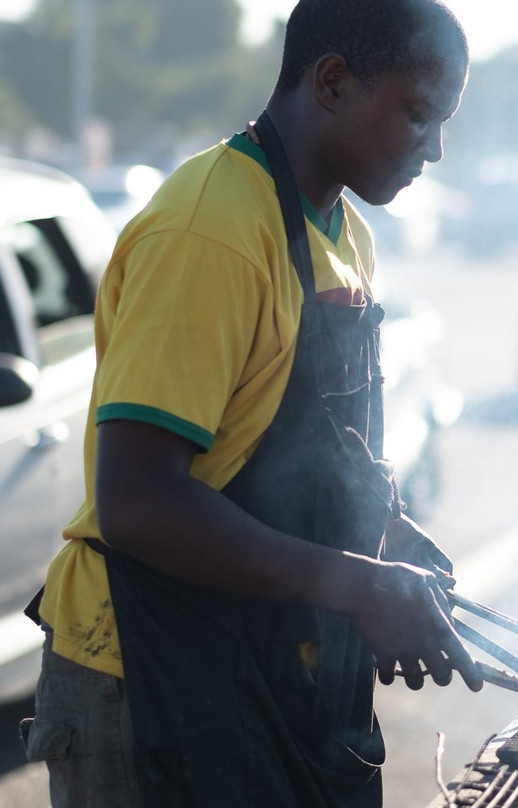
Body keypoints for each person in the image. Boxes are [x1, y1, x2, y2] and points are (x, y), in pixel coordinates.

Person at [20, 1, 482, 806]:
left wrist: (385, 536)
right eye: (417, 114)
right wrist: (359, 587)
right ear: (332, 82)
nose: (435, 148)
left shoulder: (345, 233)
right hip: (143, 672)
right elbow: (137, 503)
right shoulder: (211, 230)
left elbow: (306, 440)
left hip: (260, 656)